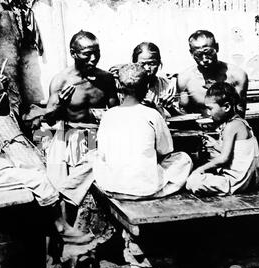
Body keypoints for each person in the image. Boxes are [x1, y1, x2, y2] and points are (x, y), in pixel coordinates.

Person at [0, 62, 93, 245]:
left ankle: (52, 228)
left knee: (35, 170)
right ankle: (60, 228)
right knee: (38, 180)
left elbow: (4, 111)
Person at [35, 30, 119, 225]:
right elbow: (47, 119)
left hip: (96, 137)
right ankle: (67, 238)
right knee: (64, 191)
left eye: (96, 53)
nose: (93, 58)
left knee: (96, 191)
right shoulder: (61, 80)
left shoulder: (106, 80)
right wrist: (61, 105)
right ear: (73, 53)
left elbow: (115, 113)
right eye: (87, 53)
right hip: (70, 136)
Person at [94, 63, 192, 199]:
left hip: (112, 187)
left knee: (96, 158)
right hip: (144, 189)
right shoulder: (152, 115)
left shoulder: (108, 115)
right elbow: (165, 150)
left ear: (119, 87)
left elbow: (103, 154)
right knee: (183, 159)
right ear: (146, 87)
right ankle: (155, 192)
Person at [186, 82, 259, 195]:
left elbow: (224, 159)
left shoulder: (231, 127)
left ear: (226, 107)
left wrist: (200, 170)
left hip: (236, 181)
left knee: (193, 181)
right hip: (250, 178)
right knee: (209, 158)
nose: (208, 113)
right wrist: (215, 145)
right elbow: (237, 152)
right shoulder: (241, 123)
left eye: (210, 108)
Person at [177, 30, 248, 117]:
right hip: (197, 128)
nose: (205, 59)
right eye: (198, 55)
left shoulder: (236, 75)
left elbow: (240, 112)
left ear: (217, 47)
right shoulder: (185, 79)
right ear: (191, 53)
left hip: (229, 127)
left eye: (209, 53)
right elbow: (184, 114)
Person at [110, 42, 181, 118]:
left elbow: (181, 118)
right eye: (142, 64)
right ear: (134, 63)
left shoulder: (168, 86)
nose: (147, 68)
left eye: (152, 63)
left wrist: (168, 108)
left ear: (159, 63)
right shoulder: (121, 84)